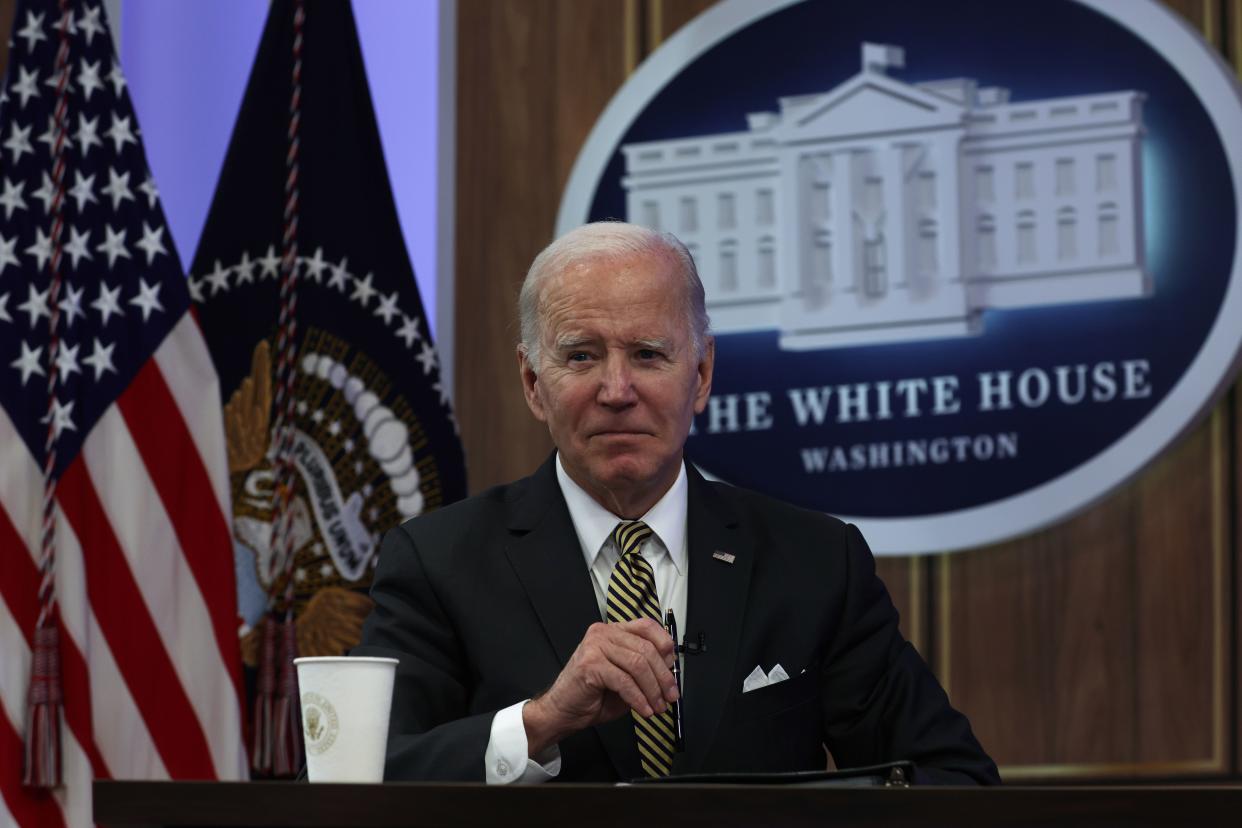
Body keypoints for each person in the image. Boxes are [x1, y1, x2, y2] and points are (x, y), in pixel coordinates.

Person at [353, 222, 999, 785]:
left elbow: (951, 775)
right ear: (533, 383)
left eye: (647, 354)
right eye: (581, 356)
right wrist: (540, 722)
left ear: (703, 374)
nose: (616, 389)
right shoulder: (439, 563)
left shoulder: (816, 563)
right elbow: (351, 779)